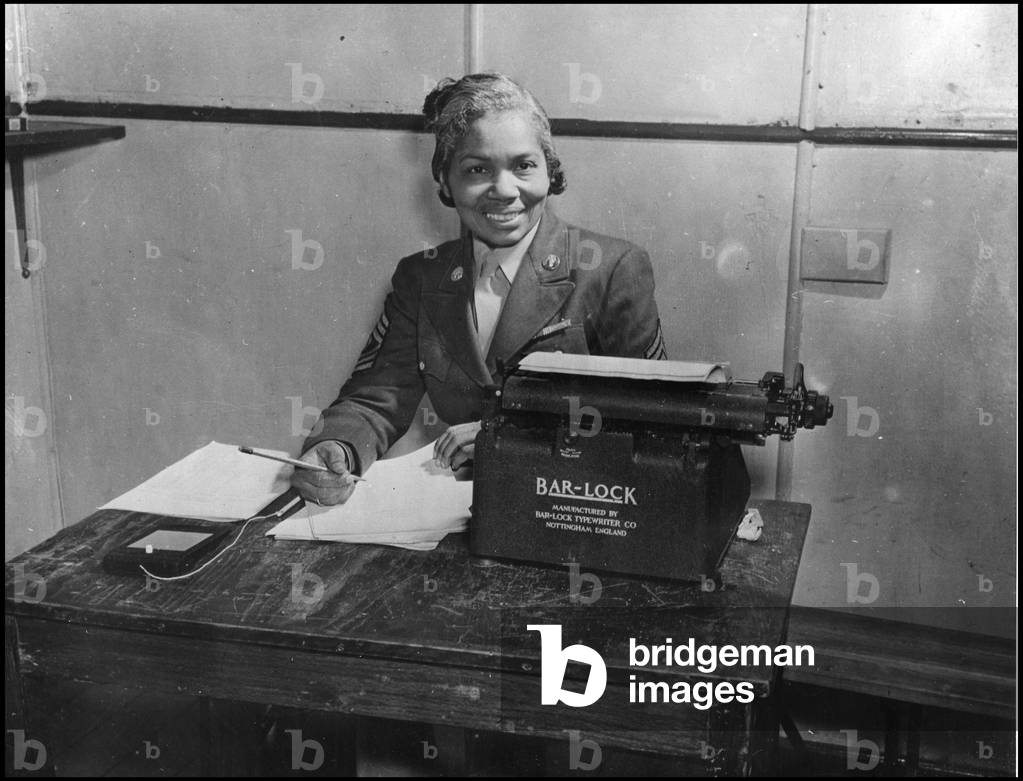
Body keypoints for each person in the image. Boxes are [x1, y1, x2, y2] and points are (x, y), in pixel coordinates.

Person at [292, 72, 666, 505]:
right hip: (455, 517)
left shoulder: (613, 269)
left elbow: (653, 425)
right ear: (446, 182)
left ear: (550, 172)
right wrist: (336, 449)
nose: (504, 191)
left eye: (524, 165)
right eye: (476, 169)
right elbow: (376, 398)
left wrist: (513, 440)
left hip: (577, 510)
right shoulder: (422, 277)